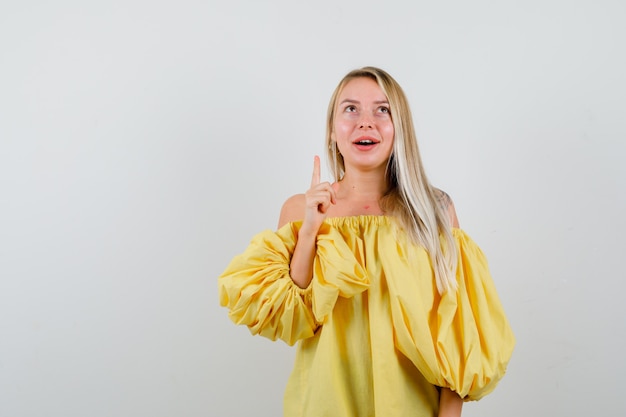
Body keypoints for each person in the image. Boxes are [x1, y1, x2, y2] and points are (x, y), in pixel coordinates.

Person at [218, 66, 515, 417]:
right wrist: (311, 229)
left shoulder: (434, 212)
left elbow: (458, 332)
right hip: (323, 405)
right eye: (350, 109)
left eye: (382, 110)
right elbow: (291, 317)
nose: (366, 122)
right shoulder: (300, 210)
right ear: (332, 130)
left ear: (398, 128)